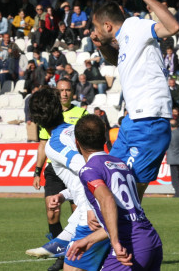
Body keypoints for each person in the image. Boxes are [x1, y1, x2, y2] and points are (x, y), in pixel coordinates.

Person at [90, 0, 179, 201]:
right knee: (109, 186)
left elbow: (172, 28)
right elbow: (116, 60)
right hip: (132, 121)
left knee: (126, 198)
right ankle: (107, 237)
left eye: (97, 28)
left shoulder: (136, 26)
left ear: (108, 26)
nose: (95, 32)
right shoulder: (125, 39)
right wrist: (101, 46)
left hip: (149, 121)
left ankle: (133, 237)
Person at [67, 114, 164, 270]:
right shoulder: (120, 163)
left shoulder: (89, 170)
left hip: (130, 244)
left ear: (76, 143)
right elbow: (125, 217)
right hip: (151, 239)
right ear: (105, 139)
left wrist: (115, 242)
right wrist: (89, 240)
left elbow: (107, 200)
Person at [27, 89, 109, 271]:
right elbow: (90, 172)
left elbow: (88, 170)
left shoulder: (54, 144)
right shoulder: (76, 130)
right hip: (100, 206)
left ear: (35, 120)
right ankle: (61, 241)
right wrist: (64, 194)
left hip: (92, 214)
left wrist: (89, 208)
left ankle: (61, 243)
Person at [31, 79, 87, 271]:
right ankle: (62, 250)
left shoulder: (57, 143)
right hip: (63, 175)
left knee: (83, 216)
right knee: (57, 211)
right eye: (60, 91)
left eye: (67, 90)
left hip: (91, 197)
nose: (64, 93)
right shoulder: (61, 135)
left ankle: (66, 250)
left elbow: (86, 169)